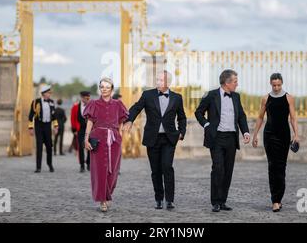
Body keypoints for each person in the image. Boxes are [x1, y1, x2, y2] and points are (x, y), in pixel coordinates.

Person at [123, 70, 187, 210]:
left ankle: (169, 200)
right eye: (157, 79)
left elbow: (182, 116)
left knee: (167, 167)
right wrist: (129, 120)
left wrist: (182, 131)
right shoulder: (147, 95)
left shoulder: (177, 98)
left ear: (168, 82)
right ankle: (158, 198)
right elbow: (136, 108)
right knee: (156, 170)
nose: (157, 82)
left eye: (160, 80)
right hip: (153, 138)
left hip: (169, 138)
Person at [194, 69, 250, 212]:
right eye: (235, 81)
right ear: (227, 82)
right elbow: (198, 112)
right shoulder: (211, 95)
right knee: (218, 168)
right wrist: (207, 125)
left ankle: (223, 201)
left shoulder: (236, 97)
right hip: (216, 137)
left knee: (228, 170)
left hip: (231, 138)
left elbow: (241, 116)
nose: (237, 84)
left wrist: (245, 132)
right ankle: (215, 202)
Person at [252, 73, 300, 212]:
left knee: (281, 167)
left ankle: (279, 197)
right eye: (274, 85)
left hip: (284, 135)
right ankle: (275, 201)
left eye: (279, 85)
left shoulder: (289, 98)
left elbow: (293, 118)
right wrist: (255, 135)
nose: (277, 87)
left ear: (282, 83)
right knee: (272, 166)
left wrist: (296, 134)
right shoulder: (266, 98)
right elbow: (260, 117)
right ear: (270, 84)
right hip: (269, 135)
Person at [83, 78, 128, 212]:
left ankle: (108, 193)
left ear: (112, 89)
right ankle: (102, 199)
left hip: (114, 140)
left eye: (107, 87)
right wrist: (86, 139)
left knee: (113, 170)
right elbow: (90, 122)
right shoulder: (93, 104)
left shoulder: (118, 104)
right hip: (98, 138)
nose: (104, 89)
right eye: (102, 87)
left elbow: (121, 121)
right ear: (99, 88)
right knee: (99, 170)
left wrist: (119, 136)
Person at [28, 84, 58, 173]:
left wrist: (55, 127)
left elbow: (54, 116)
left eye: (50, 93)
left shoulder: (52, 102)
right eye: (48, 93)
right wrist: (30, 128)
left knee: (49, 147)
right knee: (39, 147)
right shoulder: (35, 102)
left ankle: (50, 164)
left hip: (48, 126)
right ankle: (38, 167)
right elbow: (31, 115)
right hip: (39, 126)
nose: (50, 94)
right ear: (44, 93)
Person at [77, 91, 91, 172]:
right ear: (82, 98)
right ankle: (82, 165)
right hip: (81, 129)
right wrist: (75, 129)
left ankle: (89, 163)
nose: (87, 100)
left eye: (88, 98)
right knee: (81, 147)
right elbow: (74, 118)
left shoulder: (92, 106)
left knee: (89, 147)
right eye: (86, 98)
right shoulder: (77, 106)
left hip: (90, 129)